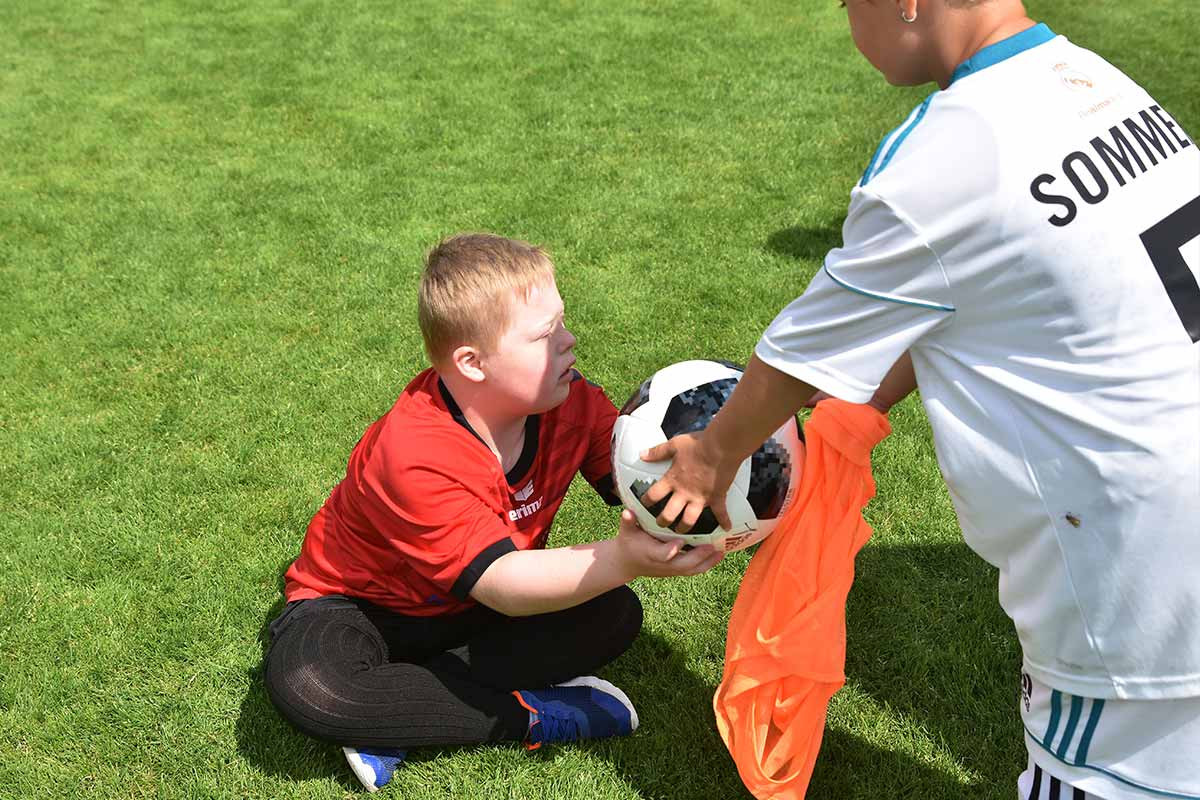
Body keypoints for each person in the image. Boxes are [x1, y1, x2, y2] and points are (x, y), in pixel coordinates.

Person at [641, 2, 1200, 798]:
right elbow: (965, 300)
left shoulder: (944, 153)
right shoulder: (1098, 84)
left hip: (1139, 578)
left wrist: (709, 458)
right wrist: (845, 421)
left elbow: (797, 352)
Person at [264, 233, 723, 793]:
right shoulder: (415, 452)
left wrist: (721, 493)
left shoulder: (570, 403)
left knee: (614, 614)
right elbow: (504, 583)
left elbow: (648, 484)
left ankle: (400, 714)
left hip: (471, 607)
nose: (570, 342)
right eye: (544, 335)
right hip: (361, 605)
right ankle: (534, 715)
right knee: (316, 689)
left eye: (562, 322)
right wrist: (623, 557)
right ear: (471, 362)